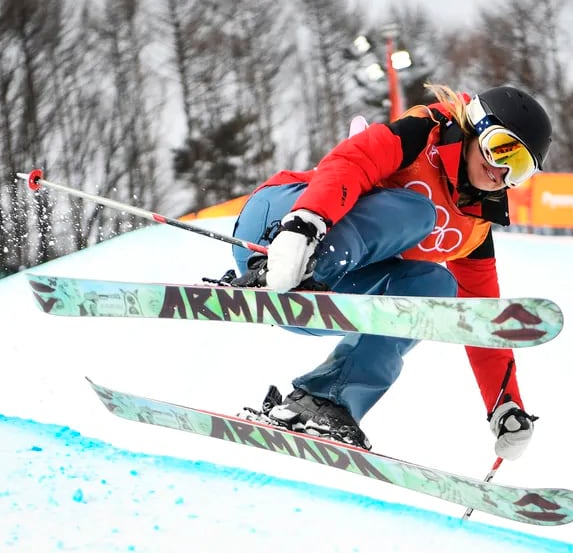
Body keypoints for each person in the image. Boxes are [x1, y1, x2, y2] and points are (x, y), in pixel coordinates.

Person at [229, 84, 552, 460]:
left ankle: (325, 400)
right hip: (280, 223)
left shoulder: (474, 227)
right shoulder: (421, 134)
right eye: (501, 149)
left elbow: (479, 319)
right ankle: (294, 267)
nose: (501, 171)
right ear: (476, 126)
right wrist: (304, 224)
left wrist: (506, 405)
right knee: (418, 211)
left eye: (520, 168)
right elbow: (351, 162)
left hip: (327, 291)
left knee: (437, 287)